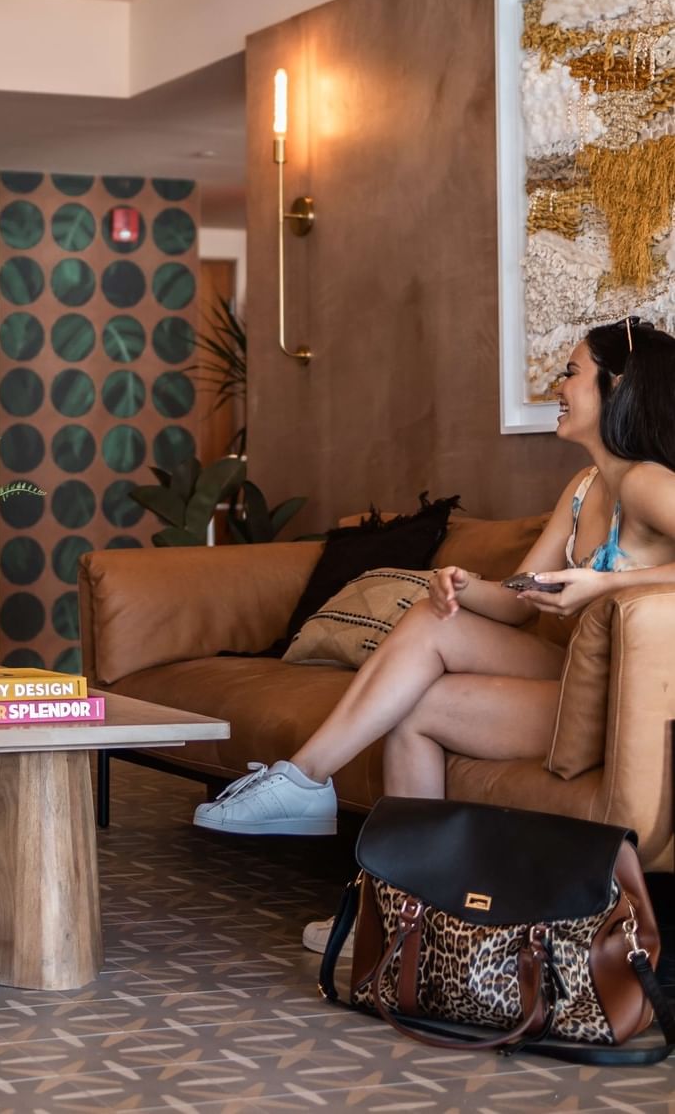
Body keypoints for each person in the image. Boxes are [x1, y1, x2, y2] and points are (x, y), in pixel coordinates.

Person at [190, 317, 675, 950]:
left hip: (620, 706)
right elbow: (519, 602)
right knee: (429, 633)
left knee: (419, 695)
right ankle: (388, 892)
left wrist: (605, 585)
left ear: (616, 387)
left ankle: (355, 852)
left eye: (572, 371)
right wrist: (462, 584)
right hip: (577, 678)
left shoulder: (647, 482)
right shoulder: (584, 489)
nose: (558, 383)